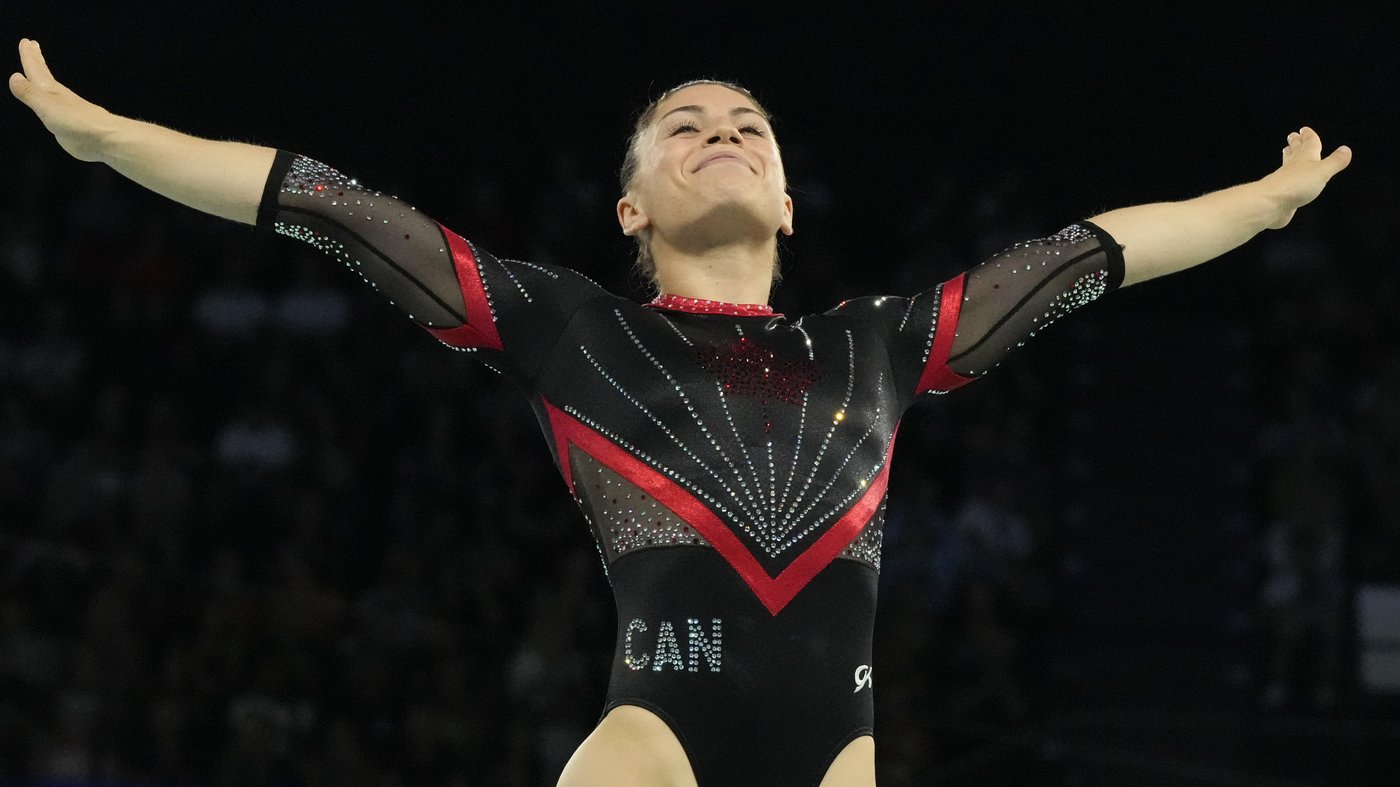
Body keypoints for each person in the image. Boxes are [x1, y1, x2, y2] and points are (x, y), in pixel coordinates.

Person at [9, 37, 1351, 787]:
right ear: (631, 209)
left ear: (785, 203)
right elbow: (322, 204)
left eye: (751, 124)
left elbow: (1085, 257)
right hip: (656, 741)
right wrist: (108, 136)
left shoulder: (878, 344)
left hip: (840, 752)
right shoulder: (568, 326)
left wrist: (1265, 203)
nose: (725, 128)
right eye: (685, 121)